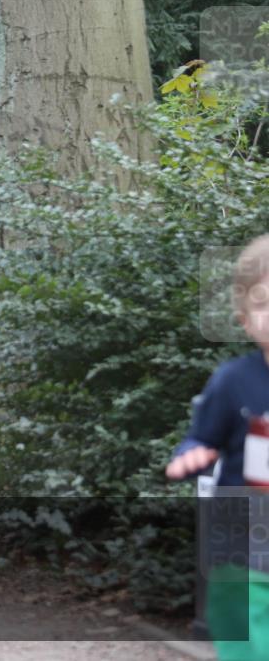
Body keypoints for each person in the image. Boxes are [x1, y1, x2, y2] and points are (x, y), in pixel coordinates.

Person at [166, 234, 269, 661]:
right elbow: (201, 438)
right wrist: (190, 455)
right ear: (244, 320)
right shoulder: (232, 381)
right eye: (263, 302)